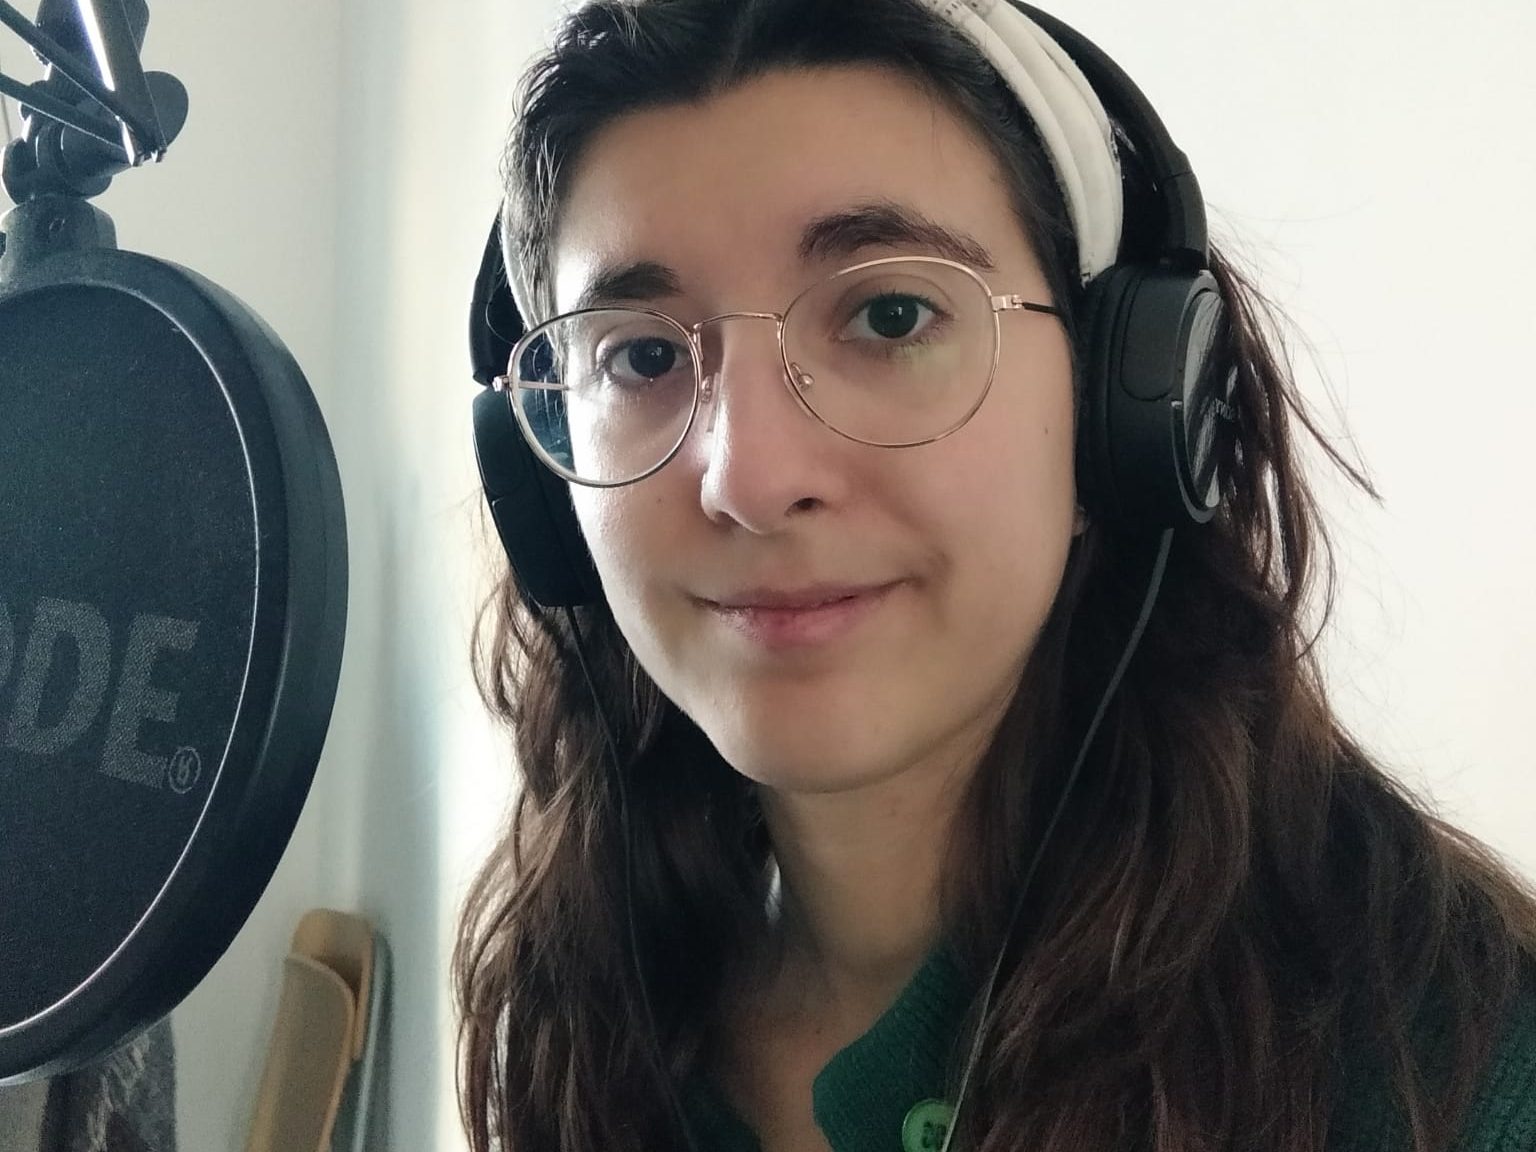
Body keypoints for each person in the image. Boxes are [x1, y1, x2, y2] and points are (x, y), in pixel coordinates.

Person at [454, 1, 1536, 1150]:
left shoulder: (1458, 1078)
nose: (749, 479)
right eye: (639, 355)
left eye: (890, 315)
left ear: (1126, 405)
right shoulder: (589, 1007)